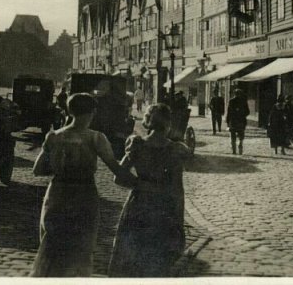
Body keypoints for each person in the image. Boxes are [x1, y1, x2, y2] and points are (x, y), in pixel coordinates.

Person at [30, 93, 138, 277]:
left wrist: (61, 166)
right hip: (83, 195)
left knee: (52, 245)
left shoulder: (54, 136)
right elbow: (116, 169)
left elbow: (38, 169)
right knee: (81, 247)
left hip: (57, 193)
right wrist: (141, 182)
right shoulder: (96, 138)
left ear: (70, 111)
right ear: (93, 112)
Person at [108, 103, 191, 277]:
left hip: (139, 205)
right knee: (158, 259)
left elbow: (118, 177)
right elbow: (177, 189)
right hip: (163, 208)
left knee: (133, 256)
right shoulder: (175, 150)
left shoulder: (137, 145)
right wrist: (179, 221)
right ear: (168, 124)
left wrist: (140, 184)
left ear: (147, 121)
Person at [226, 88, 249, 155]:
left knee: (233, 136)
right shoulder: (243, 101)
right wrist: (242, 115)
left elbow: (229, 112)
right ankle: (240, 145)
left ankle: (234, 150)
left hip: (233, 121)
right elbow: (247, 112)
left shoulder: (231, 101)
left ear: (234, 94)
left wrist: (228, 122)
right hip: (241, 121)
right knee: (241, 135)